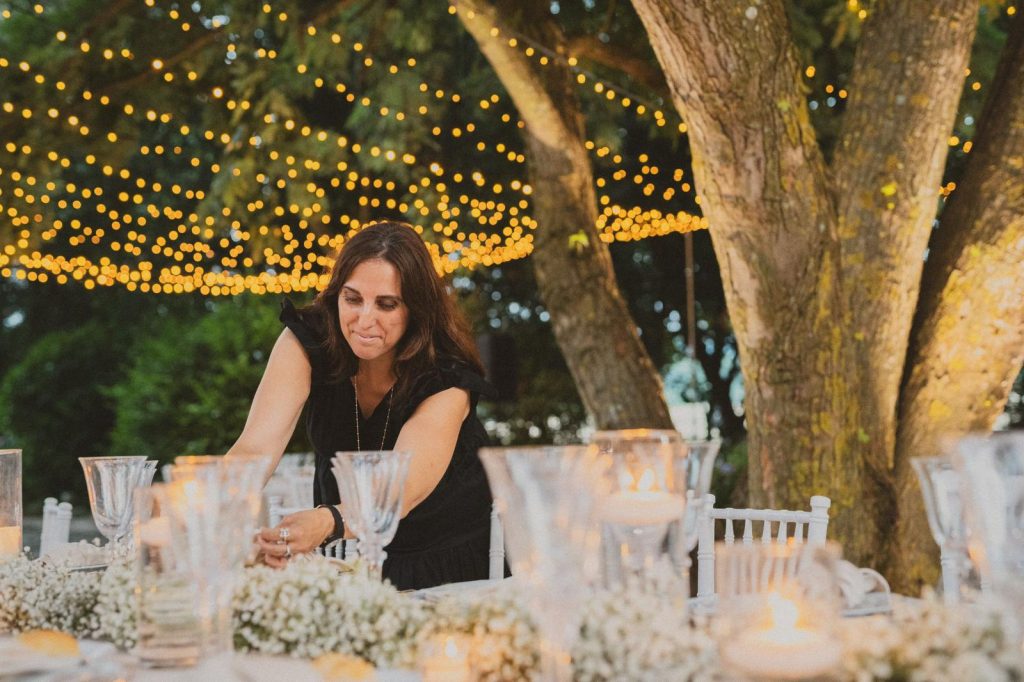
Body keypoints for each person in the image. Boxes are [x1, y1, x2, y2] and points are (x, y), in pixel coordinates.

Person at [227, 221, 498, 590]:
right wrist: (206, 519)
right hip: (348, 560)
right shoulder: (309, 342)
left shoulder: (446, 376)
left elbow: (399, 491)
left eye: (387, 304)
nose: (364, 319)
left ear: (416, 310)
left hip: (446, 560)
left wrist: (325, 523)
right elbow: (254, 450)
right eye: (352, 299)